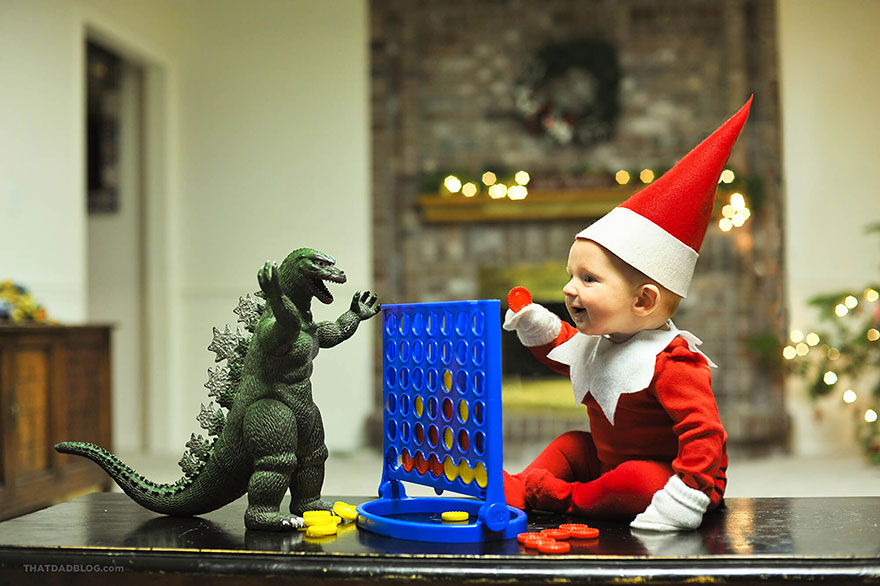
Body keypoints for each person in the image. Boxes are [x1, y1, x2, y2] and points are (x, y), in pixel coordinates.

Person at [502, 97, 752, 531]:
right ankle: (520, 486)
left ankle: (564, 500)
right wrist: (536, 324)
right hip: (607, 460)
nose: (568, 289)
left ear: (643, 301)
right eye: (570, 275)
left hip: (672, 479)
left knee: (638, 478)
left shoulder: (673, 362)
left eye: (588, 279)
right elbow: (564, 350)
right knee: (571, 445)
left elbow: (705, 436)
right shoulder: (603, 340)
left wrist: (690, 491)